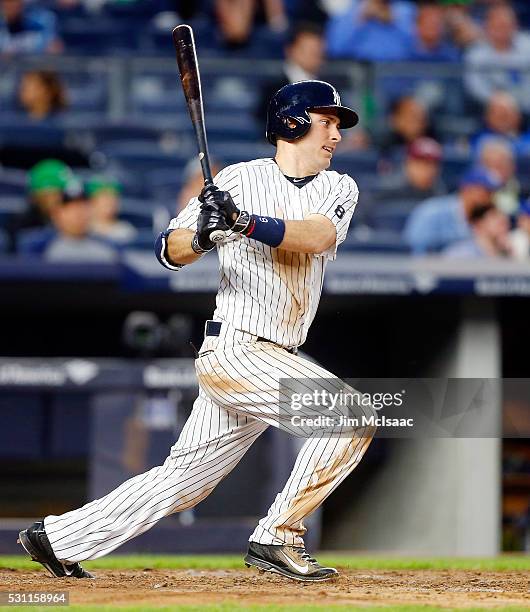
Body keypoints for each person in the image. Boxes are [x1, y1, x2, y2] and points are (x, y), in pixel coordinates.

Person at [18, 80, 377, 582]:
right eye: (328, 121)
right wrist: (207, 233)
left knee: (184, 481)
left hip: (276, 352)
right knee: (349, 416)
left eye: (337, 125)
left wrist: (246, 223)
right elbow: (170, 251)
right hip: (236, 347)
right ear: (292, 122)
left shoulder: (338, 186)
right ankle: (278, 536)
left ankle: (57, 538)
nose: (336, 134)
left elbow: (316, 237)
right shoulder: (236, 179)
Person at [404, 166, 502, 254]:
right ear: (467, 189)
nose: (489, 198)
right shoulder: (432, 212)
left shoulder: (486, 219)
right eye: (486, 191)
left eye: (492, 193)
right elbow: (415, 250)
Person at [19, 179, 118, 262]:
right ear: (56, 213)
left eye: (82, 206)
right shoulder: (36, 247)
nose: (78, 213)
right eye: (70, 208)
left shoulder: (108, 247)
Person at [464, 3, 530, 114]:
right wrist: (499, 102)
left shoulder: (527, 46)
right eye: (498, 25)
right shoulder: (475, 53)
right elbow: (476, 87)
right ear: (488, 27)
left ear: (515, 26)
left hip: (525, 105)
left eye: (506, 25)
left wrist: (518, 101)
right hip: (491, 109)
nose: (502, 30)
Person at [6, 159, 72, 251]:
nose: (60, 199)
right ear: (37, 195)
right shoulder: (21, 224)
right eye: (55, 194)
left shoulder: (80, 221)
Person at [326, 0, 413, 61]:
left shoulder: (406, 9)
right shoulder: (346, 9)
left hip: (401, 69)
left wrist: (395, 21)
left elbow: (421, 48)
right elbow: (335, 49)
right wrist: (360, 18)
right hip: (358, 72)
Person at [472, 92, 530, 158]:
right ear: (488, 117)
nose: (503, 120)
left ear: (518, 116)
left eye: (506, 114)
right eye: (498, 115)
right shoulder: (483, 140)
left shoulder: (527, 136)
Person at [444, 202, 511, 259]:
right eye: (495, 217)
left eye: (505, 223)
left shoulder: (506, 254)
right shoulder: (460, 254)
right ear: (479, 224)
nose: (504, 226)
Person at [477, 137, 521, 216]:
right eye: (490, 165)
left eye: (501, 164)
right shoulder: (475, 194)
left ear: (512, 166)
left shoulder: (521, 188)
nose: (495, 171)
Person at [87, 176, 137, 243]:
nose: (110, 202)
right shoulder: (83, 229)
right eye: (105, 196)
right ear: (92, 201)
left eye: (114, 197)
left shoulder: (126, 230)